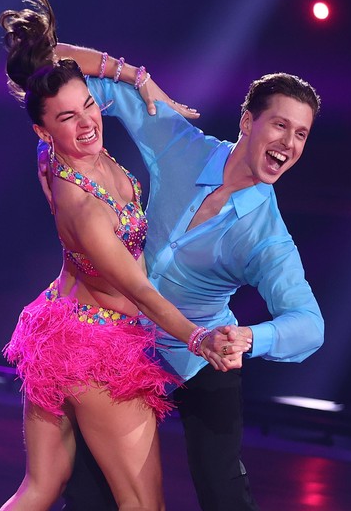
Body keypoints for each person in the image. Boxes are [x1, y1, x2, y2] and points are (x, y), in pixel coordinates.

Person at [0, 0, 251, 511]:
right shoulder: (84, 210)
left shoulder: (56, 148)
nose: (88, 122)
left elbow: (55, 63)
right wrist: (199, 339)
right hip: (98, 352)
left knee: (41, 488)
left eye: (89, 103)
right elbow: (139, 291)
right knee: (142, 505)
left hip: (57, 324)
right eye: (68, 117)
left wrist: (141, 79)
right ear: (43, 130)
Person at [43, 43, 325, 510]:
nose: (289, 143)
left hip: (201, 357)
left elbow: (310, 325)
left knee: (223, 492)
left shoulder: (268, 238)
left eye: (301, 134)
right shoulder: (181, 146)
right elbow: (70, 84)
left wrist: (250, 338)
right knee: (89, 492)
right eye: (280, 125)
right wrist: (135, 76)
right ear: (247, 122)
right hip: (125, 345)